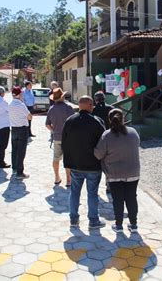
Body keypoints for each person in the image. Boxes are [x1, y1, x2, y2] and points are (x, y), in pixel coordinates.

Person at [62, 96, 106, 229]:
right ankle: (93, 220)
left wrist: (68, 163)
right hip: (93, 165)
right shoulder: (97, 122)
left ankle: (74, 220)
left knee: (74, 192)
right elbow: (103, 143)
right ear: (90, 105)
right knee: (92, 193)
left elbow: (64, 143)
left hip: (75, 165)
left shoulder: (69, 121)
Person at [94, 109, 141, 233]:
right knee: (132, 197)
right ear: (123, 119)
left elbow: (98, 154)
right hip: (133, 172)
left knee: (117, 199)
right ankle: (134, 224)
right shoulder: (133, 132)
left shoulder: (107, 135)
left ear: (109, 120)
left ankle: (119, 225)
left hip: (114, 173)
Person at [46, 88, 75, 186]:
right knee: (68, 159)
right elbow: (74, 122)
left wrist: (53, 130)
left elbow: (47, 125)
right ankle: (69, 180)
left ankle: (57, 177)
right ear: (62, 97)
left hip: (57, 137)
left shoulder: (51, 109)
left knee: (56, 158)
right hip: (68, 138)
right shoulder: (68, 108)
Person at [8, 86, 32, 179]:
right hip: (22, 129)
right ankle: (19, 172)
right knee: (21, 151)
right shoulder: (21, 105)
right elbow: (29, 116)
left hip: (13, 129)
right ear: (20, 94)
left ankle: (14, 168)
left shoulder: (10, 104)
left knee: (14, 149)